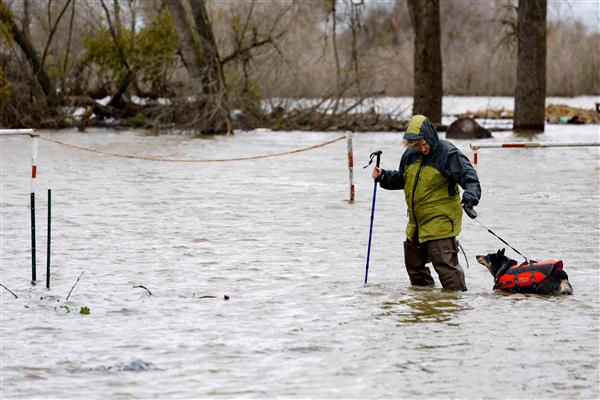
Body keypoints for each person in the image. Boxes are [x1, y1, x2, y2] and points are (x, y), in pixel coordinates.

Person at [372, 114, 481, 291]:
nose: (422, 149)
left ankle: (454, 308)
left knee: (448, 273)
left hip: (441, 222)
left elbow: (470, 178)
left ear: (430, 137)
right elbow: (402, 179)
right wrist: (384, 176)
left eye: (424, 144)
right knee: (415, 271)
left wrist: (470, 198)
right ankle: (425, 307)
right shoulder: (409, 155)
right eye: (417, 145)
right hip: (416, 224)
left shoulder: (448, 153)